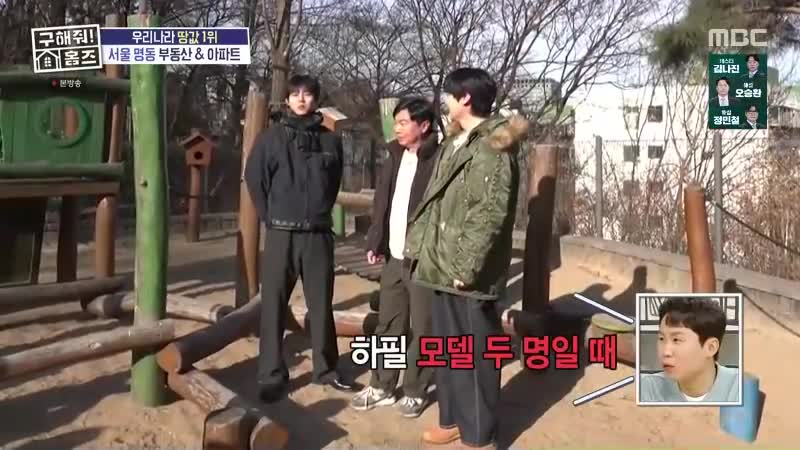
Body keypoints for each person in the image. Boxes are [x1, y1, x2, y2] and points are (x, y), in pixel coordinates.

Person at [404, 67, 529, 449]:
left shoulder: (493, 147)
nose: (443, 101)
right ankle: (452, 420)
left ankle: (479, 435)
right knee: (448, 351)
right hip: (441, 263)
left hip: (467, 272)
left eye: (448, 94)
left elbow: (488, 213)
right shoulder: (457, 141)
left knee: (475, 355)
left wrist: (467, 266)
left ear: (465, 99)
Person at [244, 74, 357, 403]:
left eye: (307, 94)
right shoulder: (271, 138)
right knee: (273, 305)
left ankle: (326, 369)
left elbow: (333, 182)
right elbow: (254, 178)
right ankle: (271, 375)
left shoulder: (330, 141)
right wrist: (269, 216)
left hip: (318, 235)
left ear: (316, 99)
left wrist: (320, 210)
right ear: (288, 100)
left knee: (321, 304)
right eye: (295, 94)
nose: (301, 99)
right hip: (281, 234)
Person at [350, 97, 440, 418]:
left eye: (403, 123)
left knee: (424, 328)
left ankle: (416, 390)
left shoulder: (440, 159)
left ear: (423, 126)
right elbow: (382, 204)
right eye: (396, 123)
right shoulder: (393, 155)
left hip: (423, 260)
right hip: (393, 255)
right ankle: (382, 386)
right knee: (389, 323)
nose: (397, 129)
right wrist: (376, 241)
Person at [639, 297, 740, 403]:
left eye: (676, 339)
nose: (665, 352)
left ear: (711, 348)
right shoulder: (648, 388)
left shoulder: (739, 388)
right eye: (661, 338)